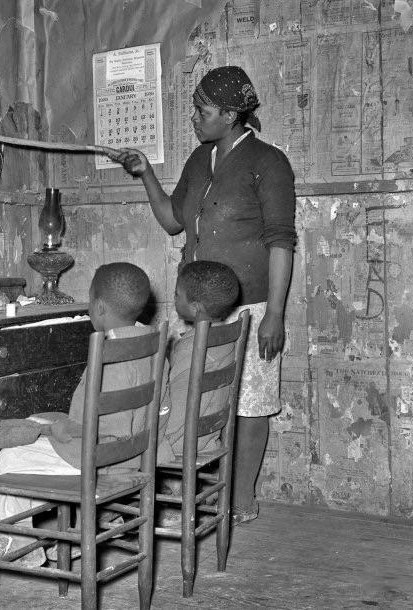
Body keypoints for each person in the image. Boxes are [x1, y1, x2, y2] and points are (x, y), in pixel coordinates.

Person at [110, 66, 297, 525]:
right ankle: (187, 493)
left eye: (203, 110)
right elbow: (174, 221)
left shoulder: (269, 163)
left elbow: (280, 242)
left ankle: (241, 498)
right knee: (186, 400)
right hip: (192, 309)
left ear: (232, 114)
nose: (194, 117)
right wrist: (145, 173)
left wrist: (274, 313)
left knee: (250, 404)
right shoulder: (200, 159)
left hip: (248, 309)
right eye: (196, 108)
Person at [0, 261, 154, 566]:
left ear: (99, 307)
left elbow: (91, 428)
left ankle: (16, 543)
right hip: (133, 454)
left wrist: (51, 431)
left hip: (99, 459)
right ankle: (47, 533)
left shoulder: (106, 353)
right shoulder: (151, 342)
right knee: (38, 423)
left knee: (11, 457)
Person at [157, 260, 240, 466]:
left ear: (194, 307)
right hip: (208, 439)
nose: (174, 298)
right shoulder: (226, 339)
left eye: (177, 295)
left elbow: (173, 408)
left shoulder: (191, 347)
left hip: (179, 443)